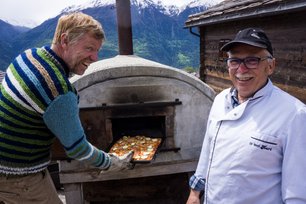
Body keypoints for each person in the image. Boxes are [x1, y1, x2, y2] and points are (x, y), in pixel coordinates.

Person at [0, 12, 133, 204]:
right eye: (89, 48)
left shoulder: (28, 56)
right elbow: (78, 149)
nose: (95, 57)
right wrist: (112, 163)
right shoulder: (57, 90)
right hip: (15, 174)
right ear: (65, 40)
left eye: (97, 50)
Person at [186, 27, 306, 204]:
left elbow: (297, 192)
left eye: (252, 60)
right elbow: (208, 149)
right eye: (234, 60)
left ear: (271, 66)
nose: (241, 69)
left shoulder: (294, 114)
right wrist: (195, 193)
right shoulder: (220, 100)